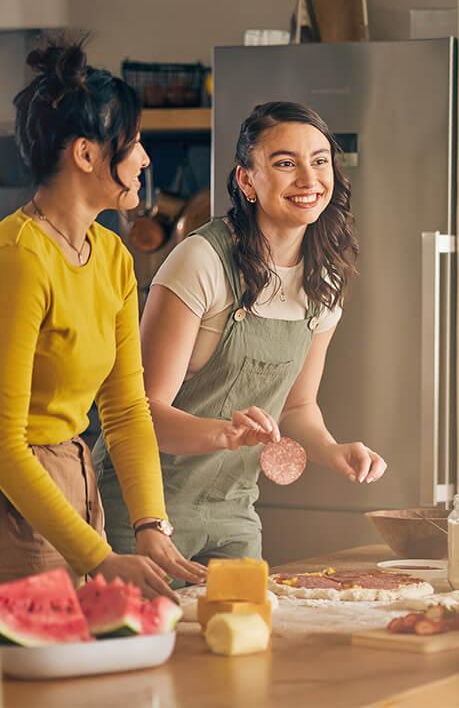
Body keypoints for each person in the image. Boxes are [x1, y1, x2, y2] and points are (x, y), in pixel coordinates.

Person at [94, 101, 388, 565]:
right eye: (285, 164)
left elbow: (298, 405)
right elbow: (142, 414)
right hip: (142, 511)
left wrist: (331, 450)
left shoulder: (325, 279)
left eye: (319, 161)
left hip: (234, 513)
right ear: (246, 180)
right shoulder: (202, 261)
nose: (309, 180)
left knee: (245, 636)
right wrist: (224, 435)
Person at [0, 38, 206, 598]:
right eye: (133, 143)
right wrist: (100, 556)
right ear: (87, 155)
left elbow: (126, 407)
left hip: (78, 485)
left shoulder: (111, 254)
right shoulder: (19, 256)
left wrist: (149, 525)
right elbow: (4, 445)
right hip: (17, 506)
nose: (143, 159)